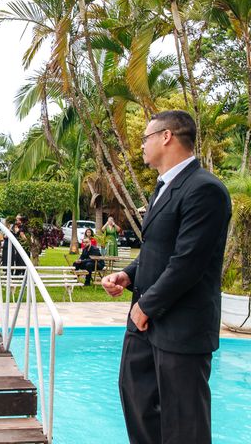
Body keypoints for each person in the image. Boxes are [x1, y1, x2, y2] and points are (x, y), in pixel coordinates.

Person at [101, 110, 231, 444]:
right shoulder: (164, 187)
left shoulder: (206, 190)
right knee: (136, 399)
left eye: (145, 138)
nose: (141, 146)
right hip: (144, 325)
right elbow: (158, 248)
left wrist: (147, 307)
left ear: (166, 136)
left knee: (183, 424)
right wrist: (128, 275)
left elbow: (188, 262)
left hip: (180, 326)